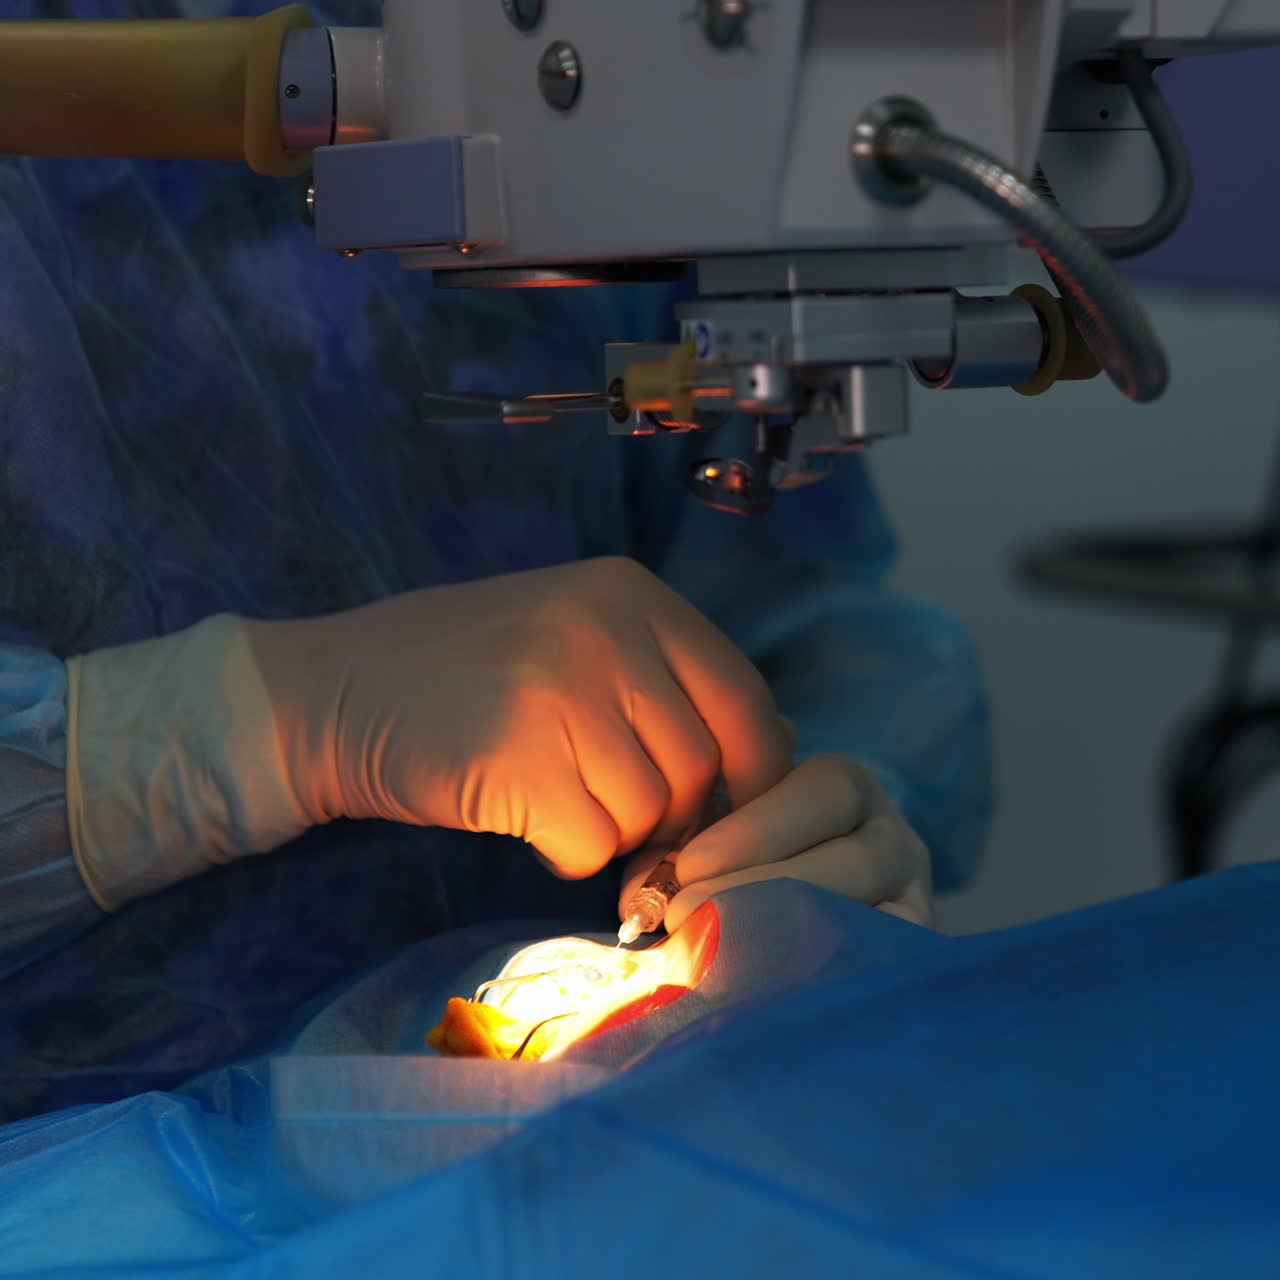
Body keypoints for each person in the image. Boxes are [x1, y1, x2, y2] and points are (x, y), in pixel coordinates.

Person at [0, 0, 992, 1120]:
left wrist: (827, 811)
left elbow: (807, 616)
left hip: (588, 1146)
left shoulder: (584, 59)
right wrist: (239, 727)